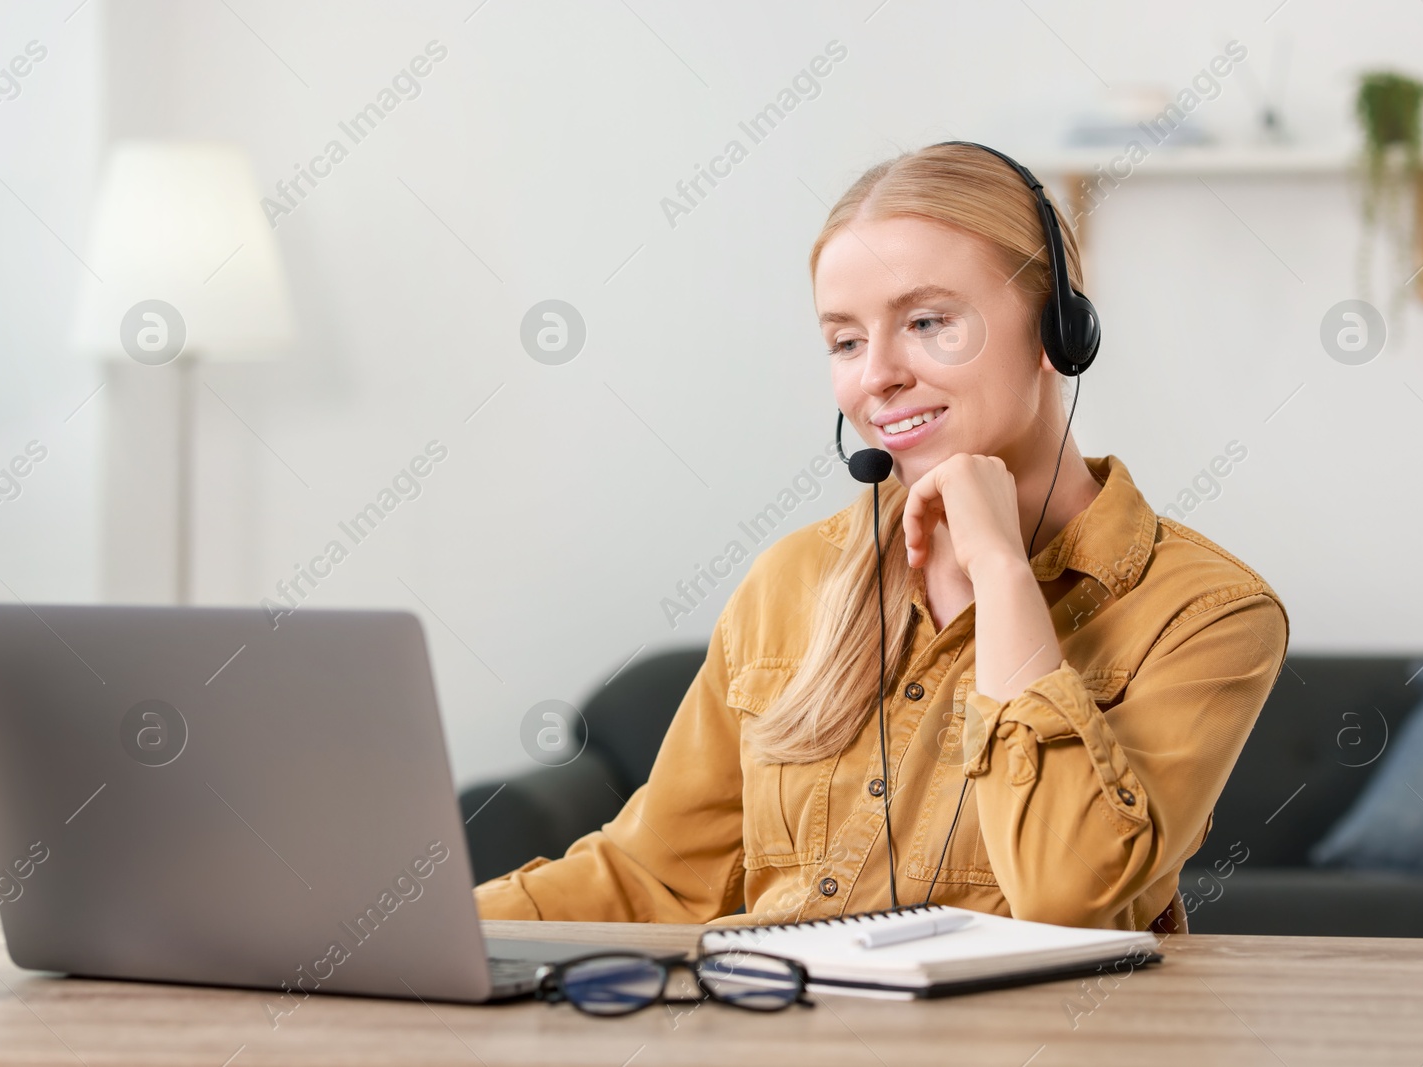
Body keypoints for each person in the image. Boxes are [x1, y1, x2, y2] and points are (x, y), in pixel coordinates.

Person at [474, 142, 1290, 934]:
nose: (876, 376)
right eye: (846, 340)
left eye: (928, 321)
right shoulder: (793, 577)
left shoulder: (1205, 611)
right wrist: (401, 927)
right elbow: (650, 876)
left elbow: (1067, 893)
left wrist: (1000, 572)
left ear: (1056, 329)